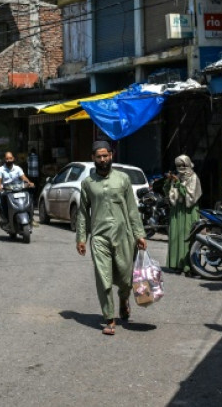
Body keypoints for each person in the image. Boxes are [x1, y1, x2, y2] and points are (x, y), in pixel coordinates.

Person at [75, 141, 147, 336]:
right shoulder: (88, 184)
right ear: (93, 158)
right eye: (98, 156)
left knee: (125, 277)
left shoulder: (123, 179)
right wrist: (81, 237)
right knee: (103, 277)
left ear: (111, 155)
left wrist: (139, 234)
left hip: (124, 235)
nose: (102, 159)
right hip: (99, 237)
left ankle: (124, 299)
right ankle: (109, 318)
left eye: (105, 156)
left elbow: (132, 209)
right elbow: (82, 213)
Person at [164, 154, 202, 274]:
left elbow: (191, 196)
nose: (180, 168)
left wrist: (179, 184)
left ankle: (189, 265)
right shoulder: (178, 177)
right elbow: (168, 192)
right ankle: (176, 265)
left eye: (182, 165)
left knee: (187, 237)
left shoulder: (193, 177)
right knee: (176, 237)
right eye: (178, 166)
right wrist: (169, 181)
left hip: (189, 211)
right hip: (177, 211)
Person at [0, 151, 34, 228]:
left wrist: (29, 182)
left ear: (13, 159)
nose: (8, 160)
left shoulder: (17, 168)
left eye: (10, 158)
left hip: (19, 189)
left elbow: (23, 177)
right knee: (3, 202)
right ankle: (6, 220)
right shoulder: (0, 169)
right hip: (7, 191)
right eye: (7, 159)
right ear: (4, 159)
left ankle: (31, 217)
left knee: (29, 198)